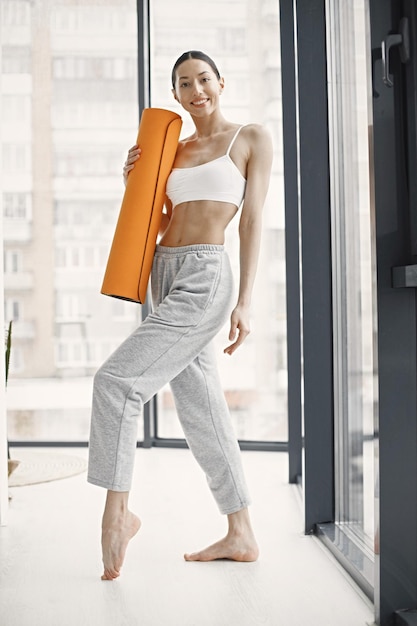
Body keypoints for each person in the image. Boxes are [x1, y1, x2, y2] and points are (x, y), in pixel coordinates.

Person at [87, 50, 273, 581]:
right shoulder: (173, 148)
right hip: (162, 272)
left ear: (221, 82)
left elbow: (252, 220)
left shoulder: (250, 138)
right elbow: (163, 215)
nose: (197, 91)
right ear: (175, 95)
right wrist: (136, 181)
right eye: (185, 84)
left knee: (115, 383)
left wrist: (246, 302)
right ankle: (241, 532)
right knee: (201, 407)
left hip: (207, 275)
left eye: (204, 79)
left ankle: (118, 514)